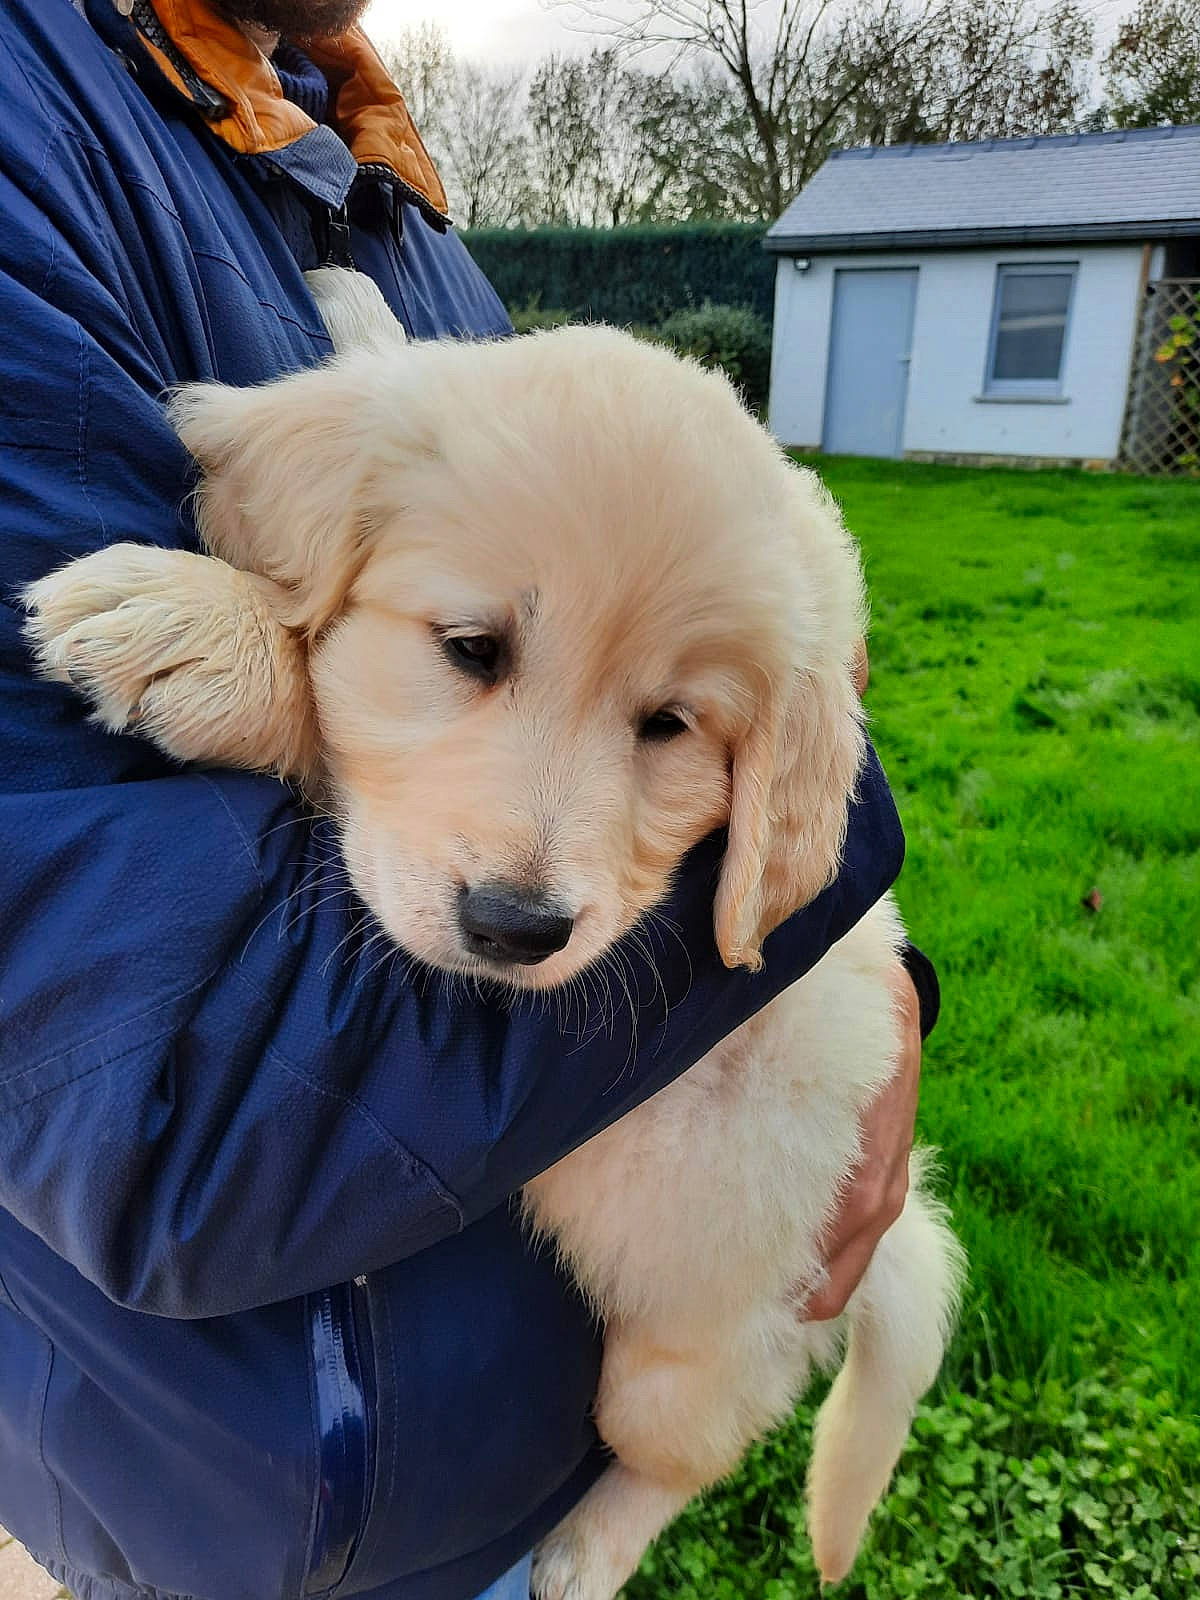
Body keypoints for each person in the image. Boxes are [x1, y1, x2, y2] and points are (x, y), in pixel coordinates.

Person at [0, 4, 938, 1600]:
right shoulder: (41, 129)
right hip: (239, 1531)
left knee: (675, 1391)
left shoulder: (398, 206)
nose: (531, 871)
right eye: (471, 650)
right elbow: (167, 1115)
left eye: (662, 728)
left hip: (522, 1472)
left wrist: (881, 975)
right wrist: (269, 655)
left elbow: (687, 682)